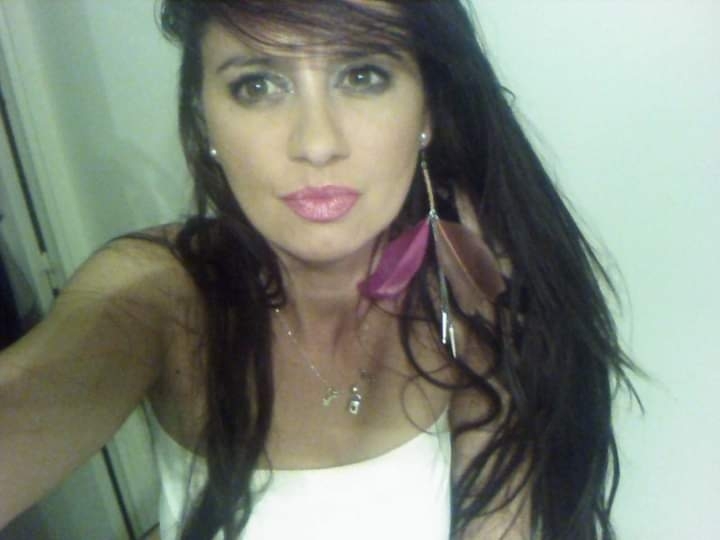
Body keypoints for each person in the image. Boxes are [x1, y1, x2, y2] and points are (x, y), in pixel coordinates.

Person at [0, 1, 637, 539]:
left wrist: (499, 332)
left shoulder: (465, 287)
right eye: (257, 85)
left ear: (427, 113)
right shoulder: (162, 293)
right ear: (204, 117)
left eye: (362, 75)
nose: (316, 142)